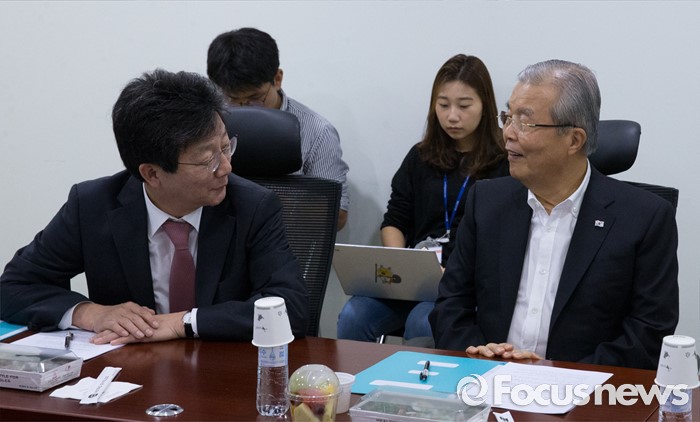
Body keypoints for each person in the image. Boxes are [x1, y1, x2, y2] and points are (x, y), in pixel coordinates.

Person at [0, 69, 308, 345]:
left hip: (220, 371)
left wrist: (181, 323)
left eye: (226, 147)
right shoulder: (93, 205)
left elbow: (290, 309)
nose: (226, 167)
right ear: (152, 173)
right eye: (207, 160)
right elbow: (12, 287)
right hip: (129, 374)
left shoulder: (253, 206)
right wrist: (90, 313)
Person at [429, 59, 679, 369]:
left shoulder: (645, 218)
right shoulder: (487, 202)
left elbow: (648, 334)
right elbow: (450, 304)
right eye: (507, 117)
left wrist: (558, 376)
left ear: (574, 140)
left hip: (585, 390)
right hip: (487, 380)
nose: (508, 133)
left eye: (525, 122)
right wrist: (478, 354)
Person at [337, 54, 508, 343]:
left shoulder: (505, 162)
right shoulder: (420, 156)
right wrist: (400, 264)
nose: (452, 116)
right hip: (414, 282)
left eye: (464, 105)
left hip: (465, 285)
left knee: (423, 322)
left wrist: (448, 274)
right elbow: (395, 220)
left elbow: (502, 240)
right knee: (355, 315)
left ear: (485, 105)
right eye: (443, 105)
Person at [207, 27, 350, 230]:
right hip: (215, 234)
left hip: (287, 238)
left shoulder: (318, 132)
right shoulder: (204, 126)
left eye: (255, 99)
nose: (242, 108)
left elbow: (338, 216)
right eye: (230, 99)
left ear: (277, 79)